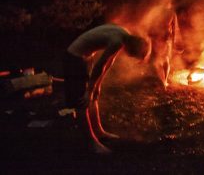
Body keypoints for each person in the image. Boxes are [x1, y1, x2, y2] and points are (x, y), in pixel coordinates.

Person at [63, 24, 151, 153]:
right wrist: (89, 90)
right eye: (133, 55)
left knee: (93, 97)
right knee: (82, 101)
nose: (129, 57)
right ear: (132, 48)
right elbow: (101, 65)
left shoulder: (124, 34)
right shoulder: (117, 41)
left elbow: (110, 62)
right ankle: (91, 142)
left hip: (86, 57)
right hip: (74, 58)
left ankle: (99, 132)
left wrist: (97, 85)